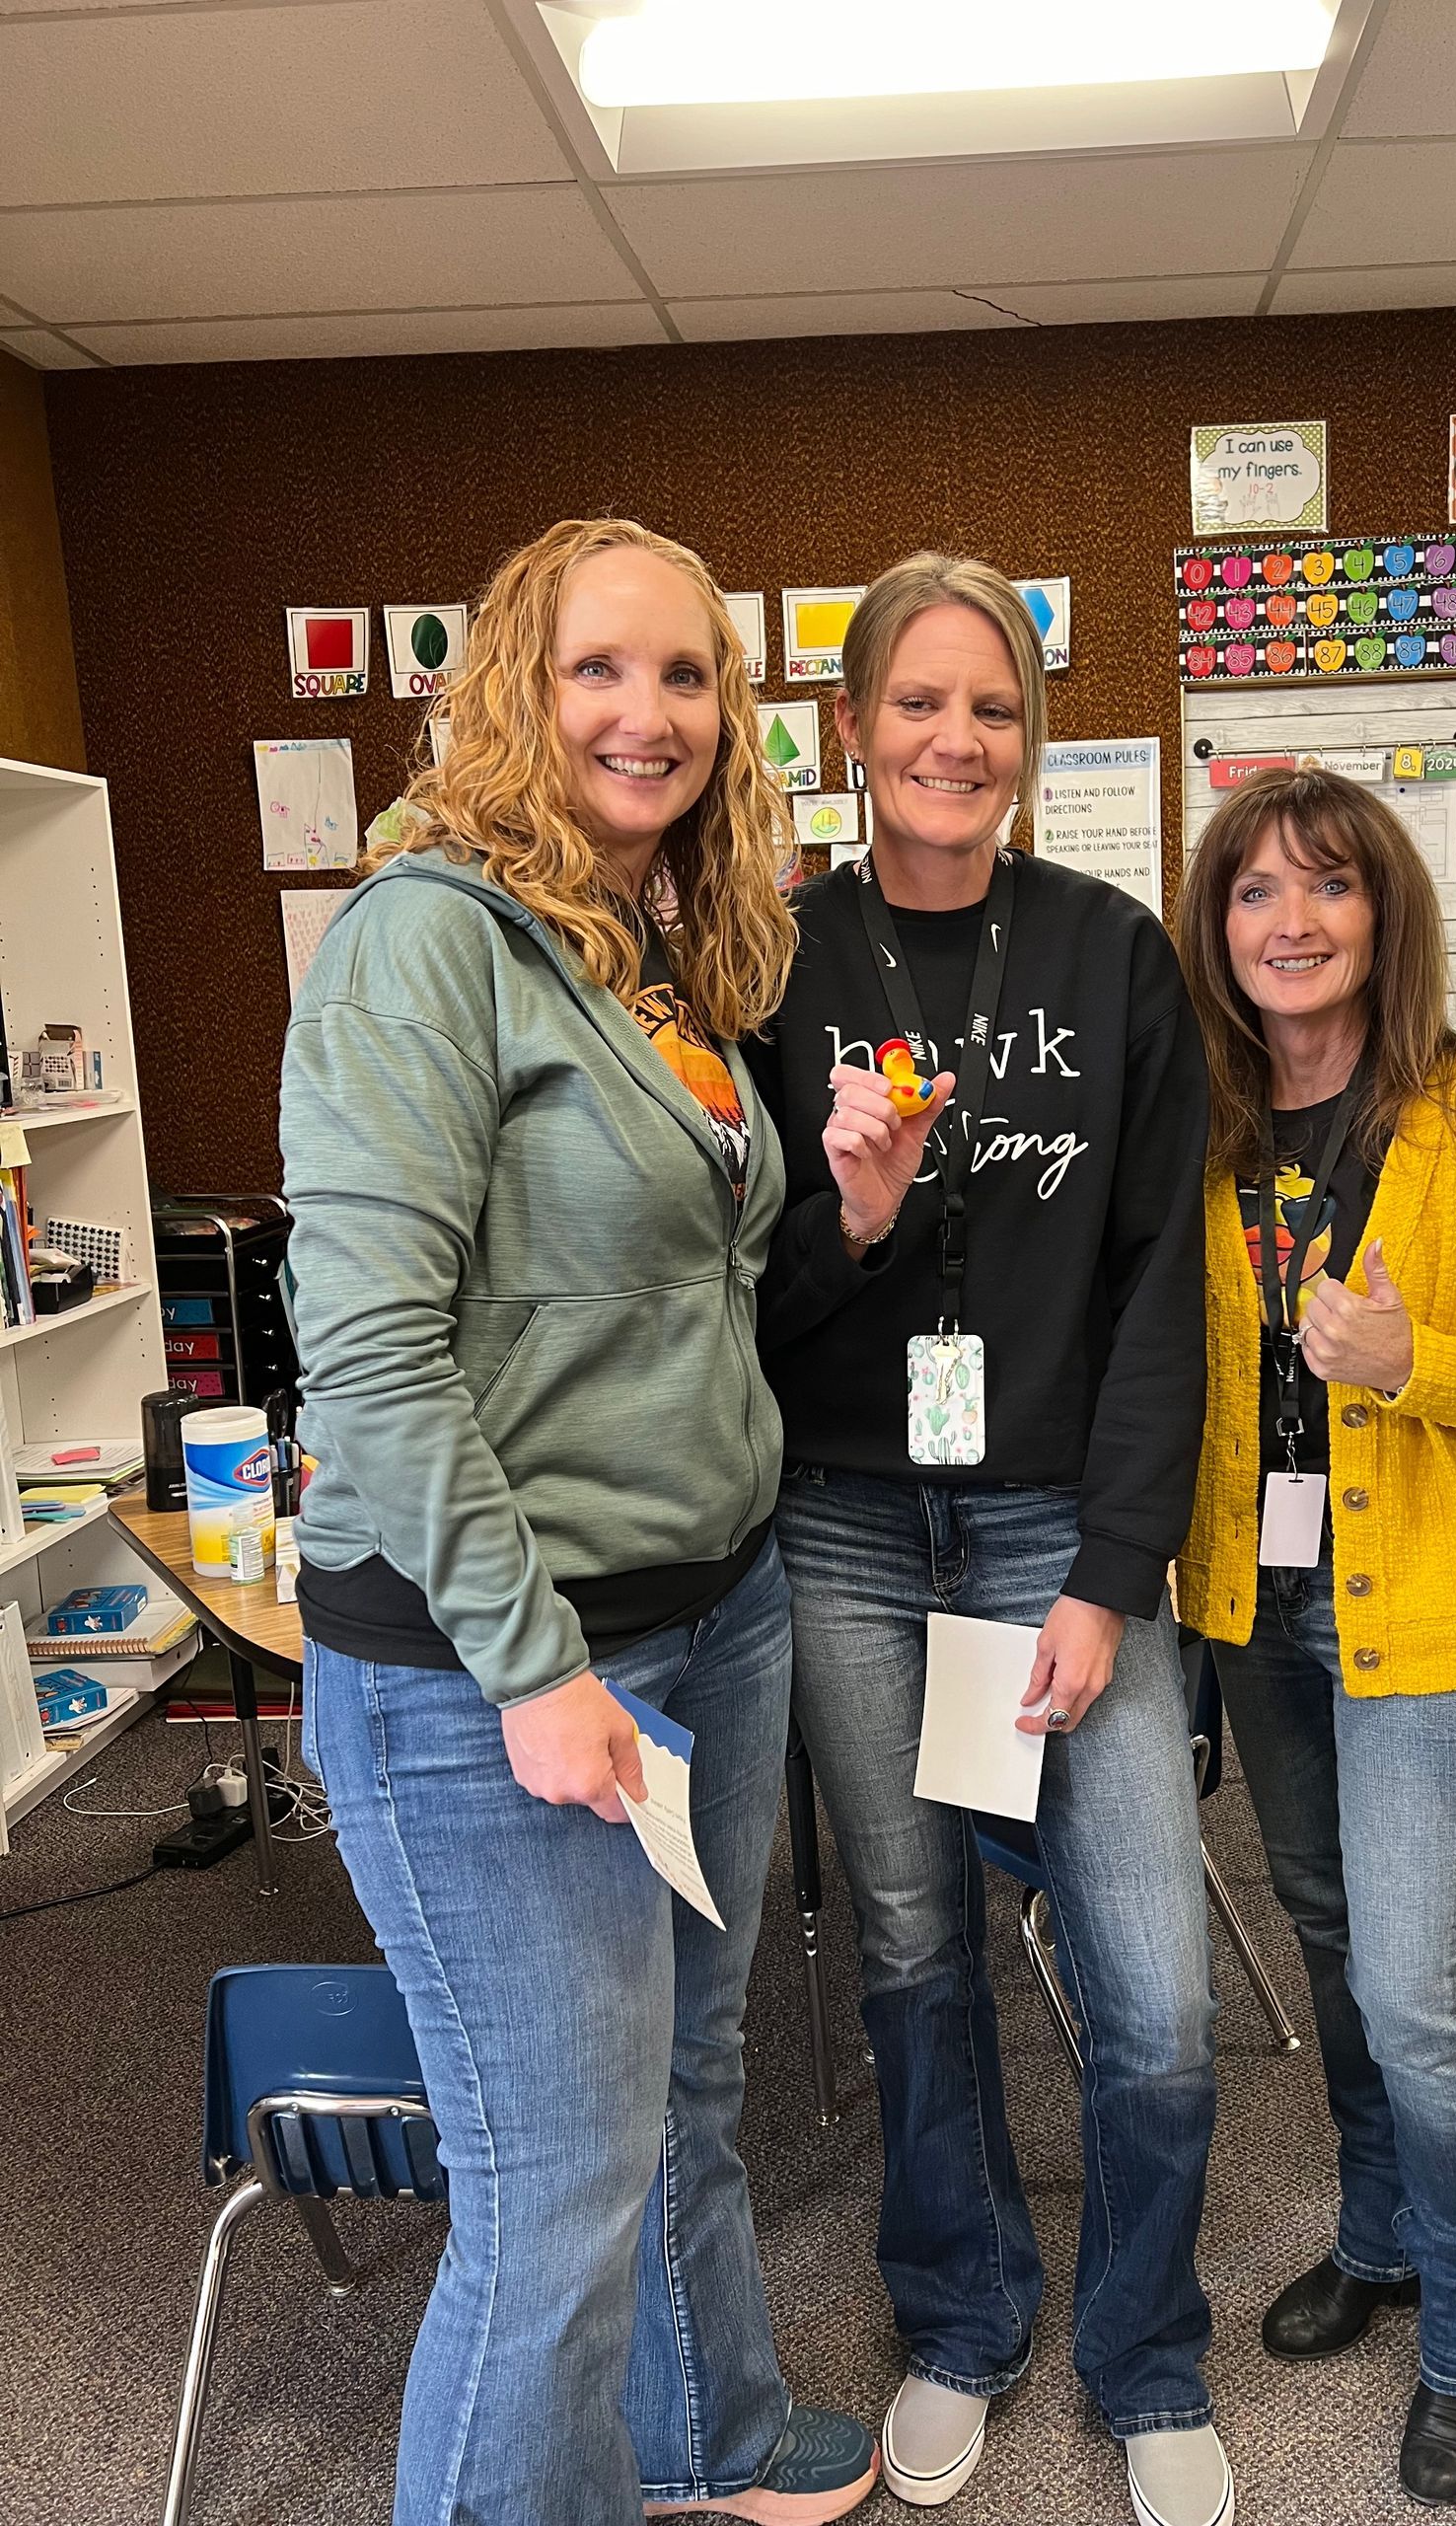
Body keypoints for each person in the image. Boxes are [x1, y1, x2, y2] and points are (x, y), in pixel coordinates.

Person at [280, 516, 878, 2526]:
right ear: (513, 692)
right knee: (551, 2201)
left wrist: (852, 1209)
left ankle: (701, 2434)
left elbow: (683, 1299)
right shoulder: (426, 935)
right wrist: (531, 1661)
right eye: (598, 669)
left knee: (682, 2096)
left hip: (713, 1608)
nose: (649, 712)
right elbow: (363, 1344)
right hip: (497, 1665)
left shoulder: (661, 961)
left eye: (688, 673)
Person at [747, 556, 1228, 2526]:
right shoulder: (768, 968)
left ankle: (1146, 2353)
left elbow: (1155, 1296)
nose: (961, 740)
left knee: (1158, 1983)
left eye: (999, 707)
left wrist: (1113, 1569)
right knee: (917, 1947)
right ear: (852, 726)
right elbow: (730, 1310)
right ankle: (958, 2314)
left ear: (1033, 740)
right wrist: (852, 1221)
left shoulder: (1113, 956)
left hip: (1048, 1524)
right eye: (922, 702)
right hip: (847, 1524)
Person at [1171, 767, 1456, 2507]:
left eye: (1328, 889)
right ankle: (1381, 2234)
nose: (1292, 922)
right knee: (1332, 1928)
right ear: (1218, 929)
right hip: (1257, 1601)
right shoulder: (1206, 1114)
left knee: (1420, 1988)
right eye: (1257, 893)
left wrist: (1415, 1364)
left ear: (1382, 917)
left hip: (1430, 1600)